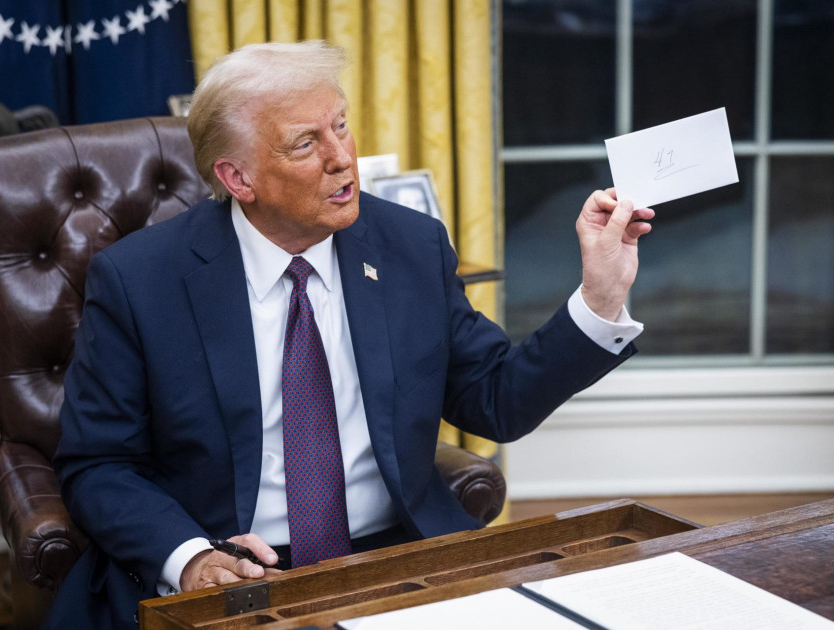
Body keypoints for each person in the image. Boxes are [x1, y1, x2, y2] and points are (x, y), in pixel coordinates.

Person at [45, 40, 654, 629]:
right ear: (237, 178)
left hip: (398, 558)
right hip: (237, 567)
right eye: (305, 143)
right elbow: (98, 464)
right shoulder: (141, 280)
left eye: (340, 125)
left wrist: (600, 298)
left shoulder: (409, 246)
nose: (341, 157)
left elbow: (495, 400)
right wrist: (193, 559)